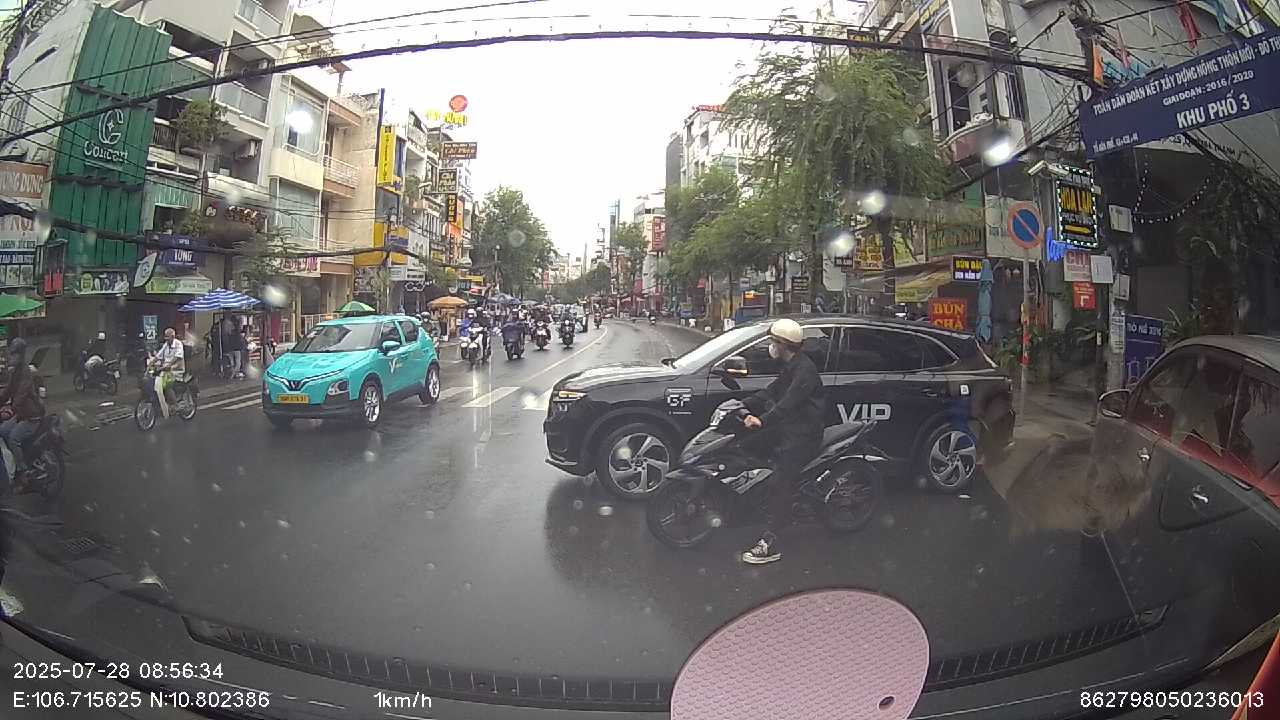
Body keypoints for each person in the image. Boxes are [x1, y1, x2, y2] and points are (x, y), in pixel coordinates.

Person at [739, 319, 825, 566]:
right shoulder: (789, 366)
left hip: (803, 435)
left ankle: (772, 541)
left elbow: (787, 404)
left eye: (773, 342)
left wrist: (761, 420)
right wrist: (742, 404)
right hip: (787, 428)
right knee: (746, 445)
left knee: (780, 482)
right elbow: (771, 391)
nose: (770, 346)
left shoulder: (804, 372)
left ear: (784, 344)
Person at [0, 340, 44, 490]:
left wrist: (10, 410)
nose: (10, 356)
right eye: (10, 353)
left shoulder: (25, 372)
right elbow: (7, 391)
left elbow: (21, 394)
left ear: (21, 355)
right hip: (21, 415)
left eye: (13, 353)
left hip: (32, 416)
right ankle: (16, 460)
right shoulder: (15, 372)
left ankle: (23, 471)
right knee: (3, 431)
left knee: (13, 438)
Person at [154, 327, 185, 420]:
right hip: (166, 369)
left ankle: (176, 405)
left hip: (176, 369)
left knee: (167, 385)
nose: (166, 338)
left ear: (173, 336)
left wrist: (169, 365)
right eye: (165, 336)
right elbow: (158, 355)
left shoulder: (178, 344)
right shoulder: (166, 345)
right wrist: (151, 363)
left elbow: (178, 357)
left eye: (168, 336)